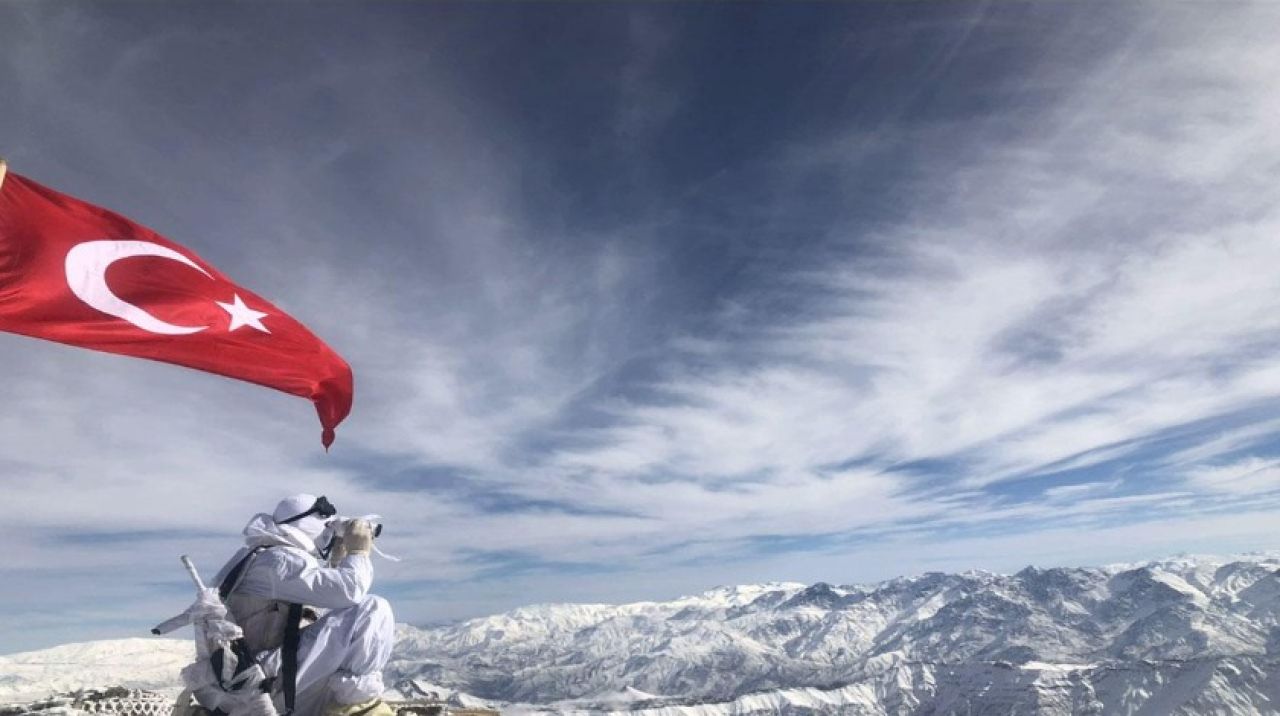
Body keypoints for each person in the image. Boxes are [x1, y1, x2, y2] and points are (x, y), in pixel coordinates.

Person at [200, 494, 396, 716]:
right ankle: (357, 708)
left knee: (355, 614)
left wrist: (337, 562)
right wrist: (358, 552)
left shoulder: (262, 556)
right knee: (373, 609)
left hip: (251, 682)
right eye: (327, 527)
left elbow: (327, 612)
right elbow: (351, 591)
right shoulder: (279, 560)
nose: (329, 534)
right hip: (261, 688)